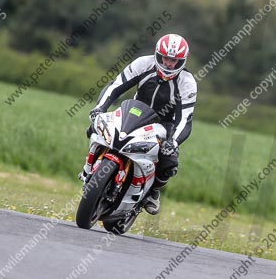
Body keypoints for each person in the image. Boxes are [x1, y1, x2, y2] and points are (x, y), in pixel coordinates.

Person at [79, 33, 197, 215]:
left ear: (182, 61)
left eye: (174, 60)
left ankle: (153, 192)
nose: (168, 64)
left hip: (164, 123)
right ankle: (89, 169)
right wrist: (99, 108)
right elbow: (115, 86)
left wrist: (172, 142)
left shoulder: (187, 83)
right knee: (97, 126)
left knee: (169, 160)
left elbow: (185, 119)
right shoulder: (143, 64)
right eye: (165, 58)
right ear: (158, 55)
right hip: (134, 111)